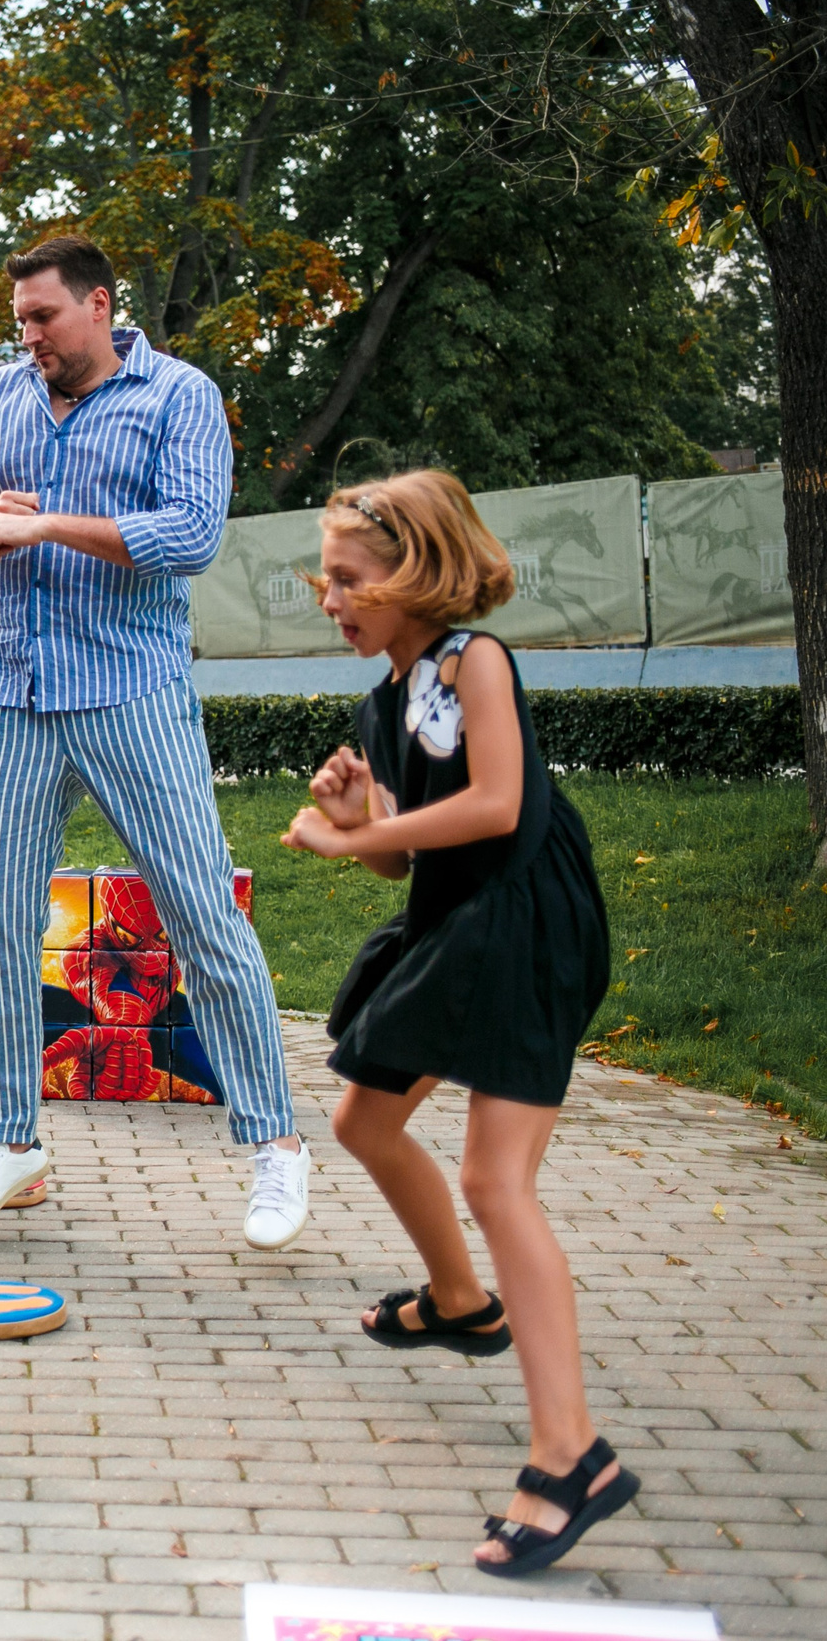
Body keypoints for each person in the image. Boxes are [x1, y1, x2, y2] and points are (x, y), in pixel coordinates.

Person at [0, 233, 307, 1246]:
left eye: (43, 317)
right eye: (20, 322)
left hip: (130, 688)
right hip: (5, 692)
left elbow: (188, 535)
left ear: (97, 304)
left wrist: (47, 528)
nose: (28, 336)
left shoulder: (177, 396)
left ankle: (273, 1149)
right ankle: (8, 1142)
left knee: (202, 919)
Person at [283, 470, 629, 1576]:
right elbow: (401, 849)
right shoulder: (384, 701)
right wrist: (362, 819)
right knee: (364, 1122)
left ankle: (570, 1456)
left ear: (414, 573)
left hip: (525, 919)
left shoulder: (477, 661)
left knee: (495, 1182)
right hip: (455, 921)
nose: (330, 598)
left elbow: (498, 805)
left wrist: (349, 840)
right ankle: (461, 1301)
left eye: (348, 580)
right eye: (322, 581)